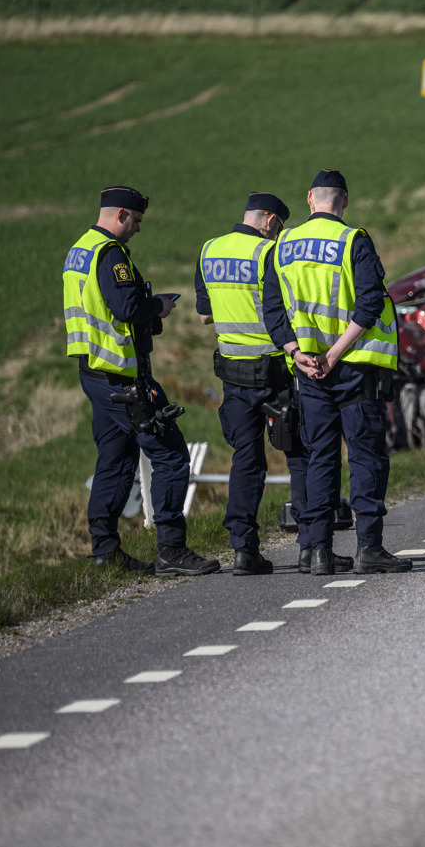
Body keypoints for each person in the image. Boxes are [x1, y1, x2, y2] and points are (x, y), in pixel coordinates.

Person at [63, 186, 219, 576]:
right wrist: (159, 307)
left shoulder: (79, 250)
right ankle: (171, 549)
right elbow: (126, 306)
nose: (137, 229)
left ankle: (105, 551)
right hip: (123, 377)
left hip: (94, 374)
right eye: (135, 221)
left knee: (115, 459)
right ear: (120, 215)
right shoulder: (110, 254)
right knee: (170, 455)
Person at [196, 193, 354, 575]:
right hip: (276, 373)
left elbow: (205, 316)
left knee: (246, 462)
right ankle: (309, 547)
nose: (277, 233)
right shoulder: (269, 254)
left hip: (233, 375)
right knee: (300, 455)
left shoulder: (210, 250)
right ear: (268, 220)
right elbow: (282, 308)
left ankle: (243, 550)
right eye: (278, 226)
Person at [276, 169, 410, 575]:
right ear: (345, 202)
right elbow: (369, 306)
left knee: (320, 457)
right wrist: (334, 354)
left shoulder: (283, 244)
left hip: (307, 369)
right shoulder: (354, 241)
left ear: (309, 199)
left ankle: (318, 551)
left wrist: (297, 352)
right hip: (353, 367)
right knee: (366, 456)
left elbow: (272, 308)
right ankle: (369, 549)